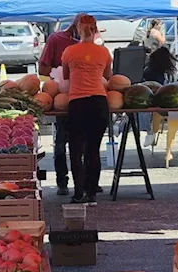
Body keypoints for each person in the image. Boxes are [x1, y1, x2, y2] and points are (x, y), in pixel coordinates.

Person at [61, 15, 112, 205]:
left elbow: (65, 77)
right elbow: (109, 77)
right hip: (99, 103)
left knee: (75, 150)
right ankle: (92, 194)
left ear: (77, 29)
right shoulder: (104, 52)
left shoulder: (69, 51)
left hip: (78, 103)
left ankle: (78, 193)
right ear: (96, 29)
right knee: (93, 150)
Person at [39, 13, 84, 196]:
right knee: (61, 143)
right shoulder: (56, 39)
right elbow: (42, 68)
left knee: (86, 144)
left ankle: (87, 183)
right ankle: (62, 181)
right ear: (75, 27)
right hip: (62, 99)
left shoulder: (91, 44)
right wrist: (57, 77)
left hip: (84, 97)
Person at [141, 47, 178, 147]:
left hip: (156, 101)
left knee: (143, 108)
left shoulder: (149, 70)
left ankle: (149, 132)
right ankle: (150, 132)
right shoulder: (168, 72)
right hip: (168, 101)